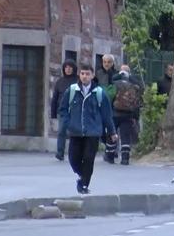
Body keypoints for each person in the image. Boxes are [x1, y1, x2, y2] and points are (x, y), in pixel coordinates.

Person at [59, 64, 117, 194]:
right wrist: (68, 123)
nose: (85, 76)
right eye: (82, 74)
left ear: (92, 76)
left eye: (87, 74)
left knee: (89, 158)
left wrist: (112, 131)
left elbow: (106, 114)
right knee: (73, 158)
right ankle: (81, 174)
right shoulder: (72, 90)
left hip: (93, 132)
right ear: (79, 75)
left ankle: (84, 184)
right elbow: (63, 109)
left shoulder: (99, 92)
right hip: (76, 131)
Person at [105, 65, 142, 165]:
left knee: (112, 134)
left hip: (114, 114)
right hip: (128, 115)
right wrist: (135, 117)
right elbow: (137, 103)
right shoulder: (134, 86)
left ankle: (110, 156)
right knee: (125, 136)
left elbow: (109, 98)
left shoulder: (115, 84)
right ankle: (125, 158)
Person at [50, 59, 78, 161]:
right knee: (61, 131)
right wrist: (53, 113)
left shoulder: (78, 81)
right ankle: (60, 152)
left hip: (76, 110)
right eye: (66, 67)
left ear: (73, 69)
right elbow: (55, 98)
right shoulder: (60, 82)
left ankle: (73, 152)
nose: (68, 69)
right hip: (63, 111)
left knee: (74, 133)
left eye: (70, 67)